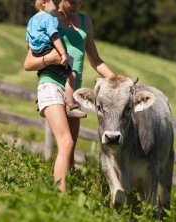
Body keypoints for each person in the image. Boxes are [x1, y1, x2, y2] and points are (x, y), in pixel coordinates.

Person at [24, 0, 117, 192]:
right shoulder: (46, 18)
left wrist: (115, 79)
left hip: (74, 91)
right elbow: (28, 62)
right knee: (65, 142)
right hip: (51, 82)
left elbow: (95, 60)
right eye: (73, 1)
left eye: (80, 1)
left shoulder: (85, 22)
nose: (77, 5)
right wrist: (48, 59)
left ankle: (69, 198)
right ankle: (61, 201)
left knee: (70, 151)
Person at [26, 0, 86, 118]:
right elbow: (54, 36)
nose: (57, 5)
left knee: (47, 71)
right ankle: (70, 105)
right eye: (55, 2)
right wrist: (63, 53)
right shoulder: (49, 18)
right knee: (72, 74)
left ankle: (44, 100)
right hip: (48, 50)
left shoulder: (32, 20)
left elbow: (28, 41)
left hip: (37, 52)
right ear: (44, 3)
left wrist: (34, 50)